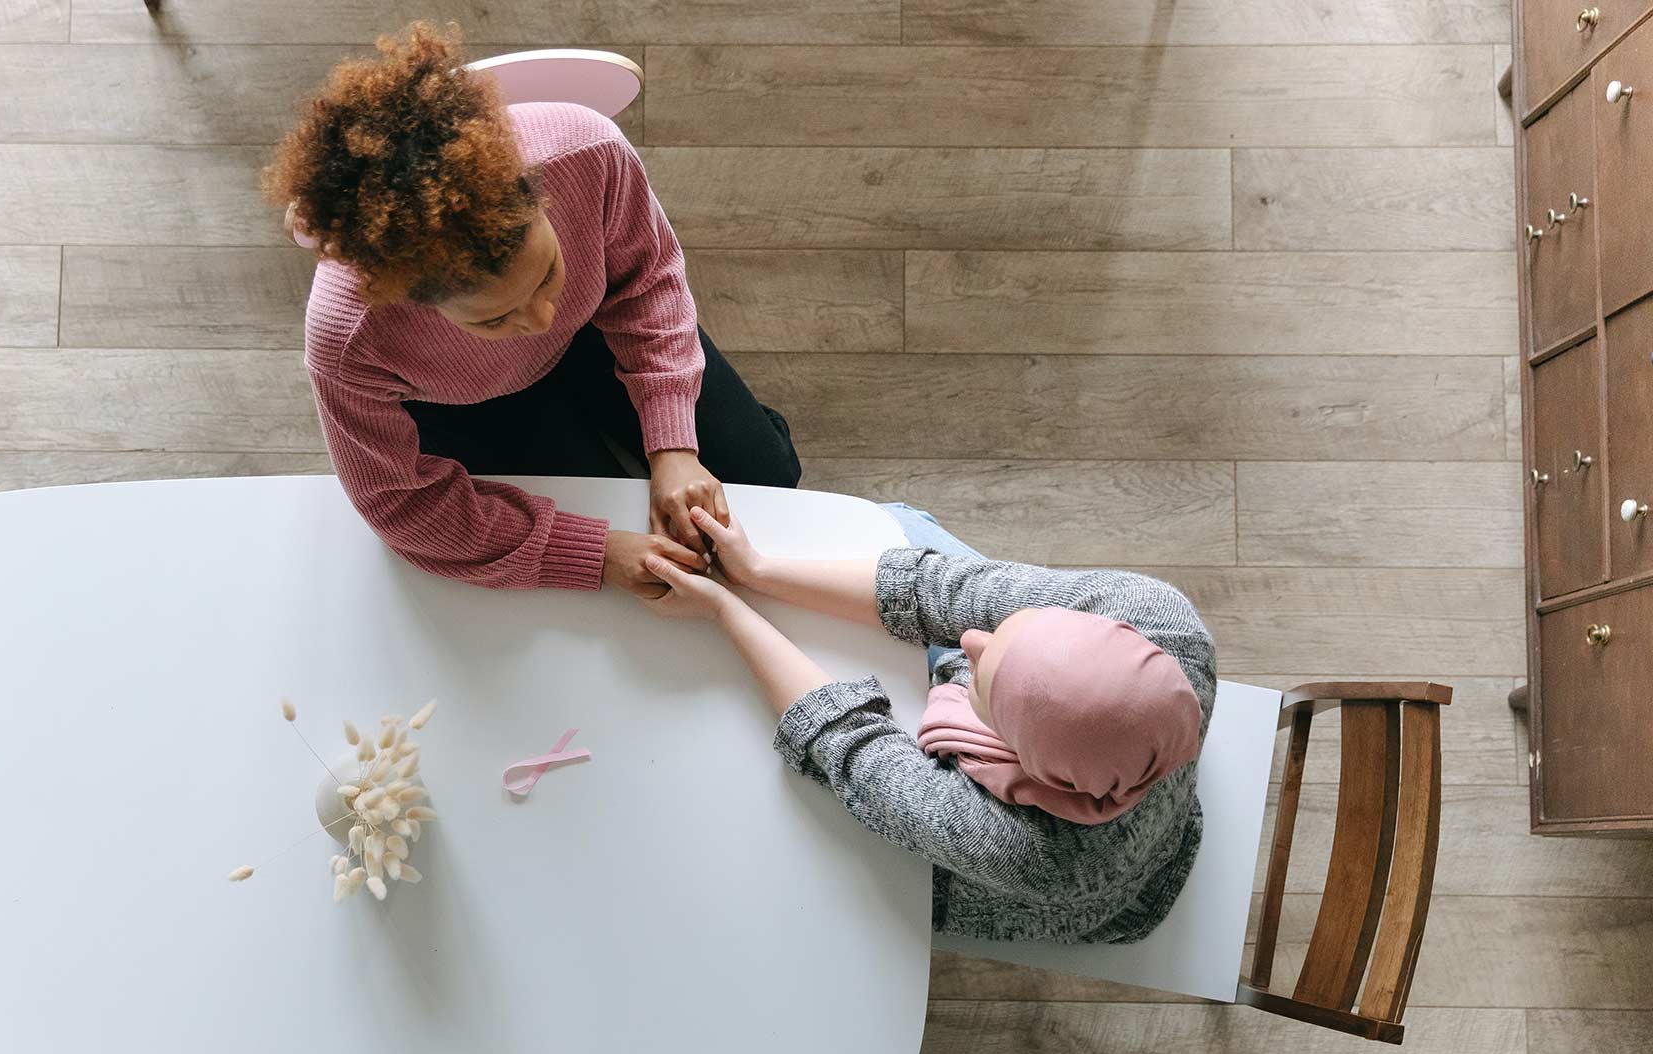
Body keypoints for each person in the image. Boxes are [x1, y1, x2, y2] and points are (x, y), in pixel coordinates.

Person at [264, 23, 802, 596]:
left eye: (547, 273)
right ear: (409, 301)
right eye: (493, 318)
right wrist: (596, 555)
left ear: (543, 196)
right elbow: (400, 502)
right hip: (465, 402)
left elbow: (647, 281)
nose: (543, 319)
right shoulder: (348, 339)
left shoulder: (589, 152)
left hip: (596, 330)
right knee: (613, 514)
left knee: (768, 477)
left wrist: (673, 446)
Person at [639, 503, 1215, 944]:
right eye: (1013, 628)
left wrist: (724, 608)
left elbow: (851, 746)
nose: (969, 642)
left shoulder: (1032, 852)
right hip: (1082, 787)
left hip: (1032, 893)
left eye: (982, 679)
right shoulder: (1162, 619)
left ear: (1035, 762)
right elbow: (942, 593)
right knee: (897, 525)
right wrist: (757, 570)